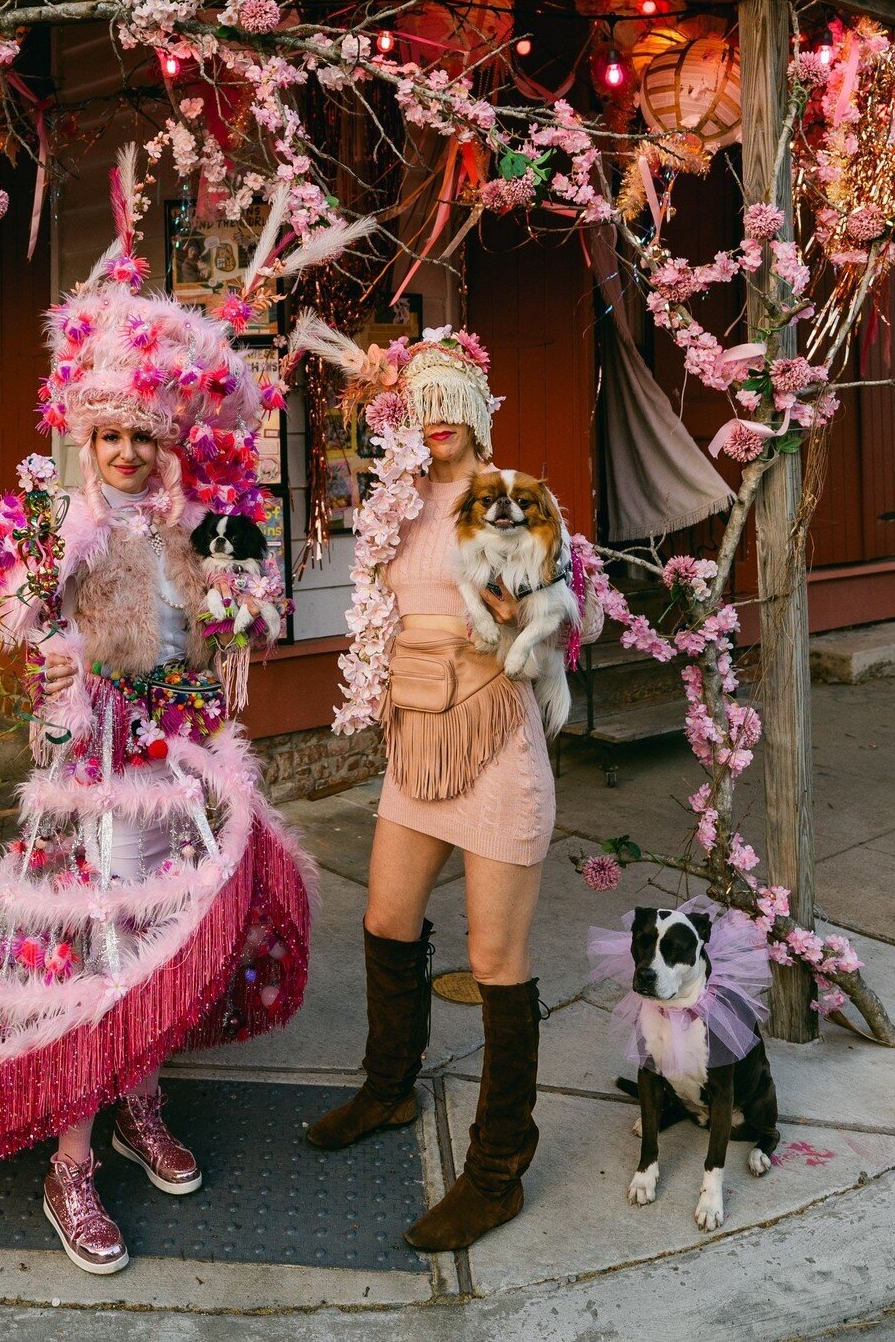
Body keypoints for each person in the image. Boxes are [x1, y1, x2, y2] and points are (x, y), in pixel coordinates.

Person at [0, 244, 312, 1276]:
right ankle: (71, 1161)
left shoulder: (189, 530)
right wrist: (43, 627)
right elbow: (18, 615)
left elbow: (221, 627)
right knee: (100, 956)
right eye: (114, 434)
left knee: (164, 935)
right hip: (95, 774)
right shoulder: (68, 526)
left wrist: (244, 614)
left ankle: (139, 1102)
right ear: (87, 439)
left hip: (178, 766)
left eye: (145, 433)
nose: (130, 449)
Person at [291, 321, 600, 1252]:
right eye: (420, 405)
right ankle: (389, 1092)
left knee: (496, 958)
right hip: (417, 734)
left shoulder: (513, 498)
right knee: (388, 918)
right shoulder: (396, 498)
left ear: (478, 409)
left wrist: (527, 620)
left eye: (450, 403)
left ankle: (497, 1170)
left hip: (495, 729)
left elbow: (568, 622)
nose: (437, 422)